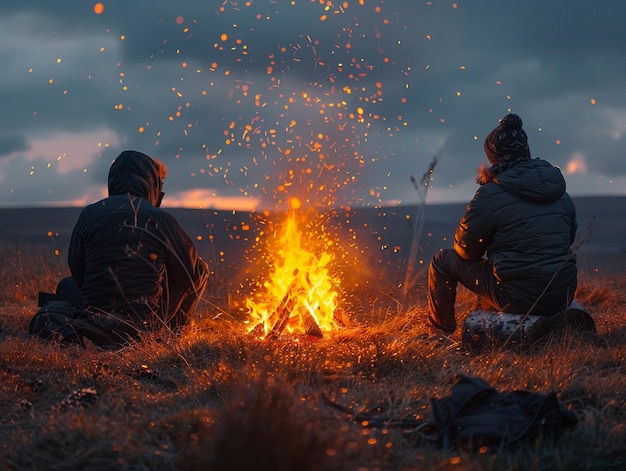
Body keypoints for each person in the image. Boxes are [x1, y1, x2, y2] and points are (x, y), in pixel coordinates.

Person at [30, 150, 209, 347]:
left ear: (113, 180)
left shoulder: (90, 213)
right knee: (201, 270)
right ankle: (171, 336)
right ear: (153, 185)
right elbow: (192, 277)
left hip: (96, 314)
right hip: (143, 323)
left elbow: (77, 269)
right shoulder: (162, 220)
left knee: (66, 285)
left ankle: (88, 325)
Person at [426, 113, 578, 337]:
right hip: (562, 292)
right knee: (499, 266)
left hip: (518, 298)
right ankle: (553, 322)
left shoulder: (490, 194)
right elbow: (568, 238)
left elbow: (467, 251)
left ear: (493, 157)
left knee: (443, 261)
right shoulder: (559, 191)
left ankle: (438, 334)